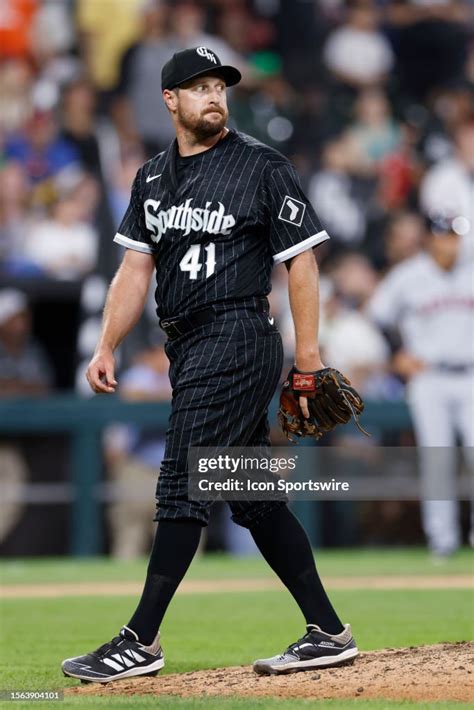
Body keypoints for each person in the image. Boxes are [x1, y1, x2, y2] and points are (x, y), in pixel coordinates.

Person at [61, 47, 358, 683]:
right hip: (185, 343)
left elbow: (301, 261)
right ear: (169, 100)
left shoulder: (260, 165)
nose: (213, 96)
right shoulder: (150, 178)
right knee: (252, 497)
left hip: (238, 333)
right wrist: (107, 342)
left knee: (182, 480)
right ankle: (328, 631)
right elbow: (135, 267)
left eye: (219, 85)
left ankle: (139, 639)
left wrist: (307, 362)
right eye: (197, 87)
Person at [368, 214, 474, 558]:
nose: (450, 242)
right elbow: (376, 315)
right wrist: (398, 352)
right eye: (444, 235)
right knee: (437, 458)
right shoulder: (409, 275)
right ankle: (442, 541)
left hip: (470, 373)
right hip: (429, 377)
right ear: (430, 238)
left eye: (456, 235)